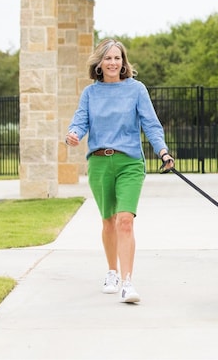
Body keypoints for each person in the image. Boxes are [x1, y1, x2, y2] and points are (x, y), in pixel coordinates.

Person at [65, 38, 174, 303]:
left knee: (125, 220)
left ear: (123, 63)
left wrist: (163, 151)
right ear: (99, 63)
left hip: (130, 162)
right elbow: (80, 121)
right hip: (100, 163)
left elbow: (151, 124)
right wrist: (74, 134)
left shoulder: (136, 89)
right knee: (108, 221)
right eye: (108, 58)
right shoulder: (90, 93)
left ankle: (127, 282)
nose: (113, 63)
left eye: (118, 58)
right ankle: (111, 271)